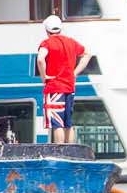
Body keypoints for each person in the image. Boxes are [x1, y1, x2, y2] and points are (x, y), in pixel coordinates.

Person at [36, 15, 93, 146]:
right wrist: (75, 73)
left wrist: (44, 77)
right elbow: (87, 54)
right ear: (60, 28)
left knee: (57, 123)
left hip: (54, 88)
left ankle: (60, 151)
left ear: (47, 30)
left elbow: (40, 59)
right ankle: (71, 150)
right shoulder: (71, 42)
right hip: (69, 87)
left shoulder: (47, 43)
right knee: (68, 122)